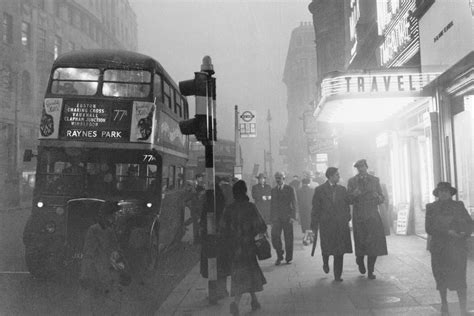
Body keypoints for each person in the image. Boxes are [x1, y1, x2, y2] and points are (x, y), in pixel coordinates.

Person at [425, 182, 473, 316]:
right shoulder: (431, 207)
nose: (444, 194)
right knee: (441, 277)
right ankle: (444, 305)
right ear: (437, 194)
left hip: (457, 247)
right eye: (441, 191)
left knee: (460, 278)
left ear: (451, 193)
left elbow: (469, 222)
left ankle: (463, 308)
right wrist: (447, 232)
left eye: (446, 191)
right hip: (440, 248)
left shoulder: (459, 205)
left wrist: (465, 232)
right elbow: (429, 228)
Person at [220, 180, 267, 316]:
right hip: (248, 248)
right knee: (249, 274)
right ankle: (236, 303)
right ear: (245, 191)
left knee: (239, 275)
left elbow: (222, 229)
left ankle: (254, 301)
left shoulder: (229, 209)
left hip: (234, 249)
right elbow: (261, 226)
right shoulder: (250, 207)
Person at [79, 201, 130, 315]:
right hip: (99, 277)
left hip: (110, 278)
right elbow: (89, 254)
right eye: (114, 215)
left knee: (111, 308)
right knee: (101, 308)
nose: (116, 217)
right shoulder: (95, 230)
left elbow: (117, 252)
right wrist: (86, 275)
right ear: (108, 215)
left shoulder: (110, 230)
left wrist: (124, 271)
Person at [347, 159, 387, 279]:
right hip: (359, 216)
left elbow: (382, 198)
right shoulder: (352, 181)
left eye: (363, 166)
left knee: (373, 244)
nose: (361, 169)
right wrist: (354, 194)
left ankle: (371, 271)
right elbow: (348, 199)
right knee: (360, 242)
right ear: (357, 169)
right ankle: (359, 260)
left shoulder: (375, 180)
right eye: (358, 167)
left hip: (372, 215)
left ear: (366, 167)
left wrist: (378, 197)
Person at [311, 167, 352, 282]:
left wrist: (347, 217)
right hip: (326, 225)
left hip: (340, 225)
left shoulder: (342, 190)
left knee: (340, 251)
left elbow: (346, 205)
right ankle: (325, 262)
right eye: (337, 175)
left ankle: (337, 275)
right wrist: (313, 225)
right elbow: (315, 208)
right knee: (327, 248)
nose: (339, 177)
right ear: (330, 176)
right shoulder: (320, 190)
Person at [200, 184, 229, 304]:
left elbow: (203, 222)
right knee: (222, 266)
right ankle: (223, 290)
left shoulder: (208, 205)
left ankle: (213, 293)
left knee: (212, 266)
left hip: (210, 240)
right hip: (222, 240)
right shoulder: (223, 204)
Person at [270, 171, 297, 265]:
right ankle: (279, 255)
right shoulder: (273, 190)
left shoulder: (290, 189)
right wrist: (271, 219)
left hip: (287, 217)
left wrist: (293, 216)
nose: (278, 180)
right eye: (276, 178)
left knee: (288, 238)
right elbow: (272, 205)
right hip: (276, 218)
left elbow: (294, 203)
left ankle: (289, 258)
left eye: (280, 178)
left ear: (283, 178)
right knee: (274, 236)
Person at [297, 178, 313, 245]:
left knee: (304, 223)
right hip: (310, 209)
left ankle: (307, 237)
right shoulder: (312, 190)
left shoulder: (298, 190)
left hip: (302, 209)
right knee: (309, 222)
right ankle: (309, 237)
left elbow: (297, 200)